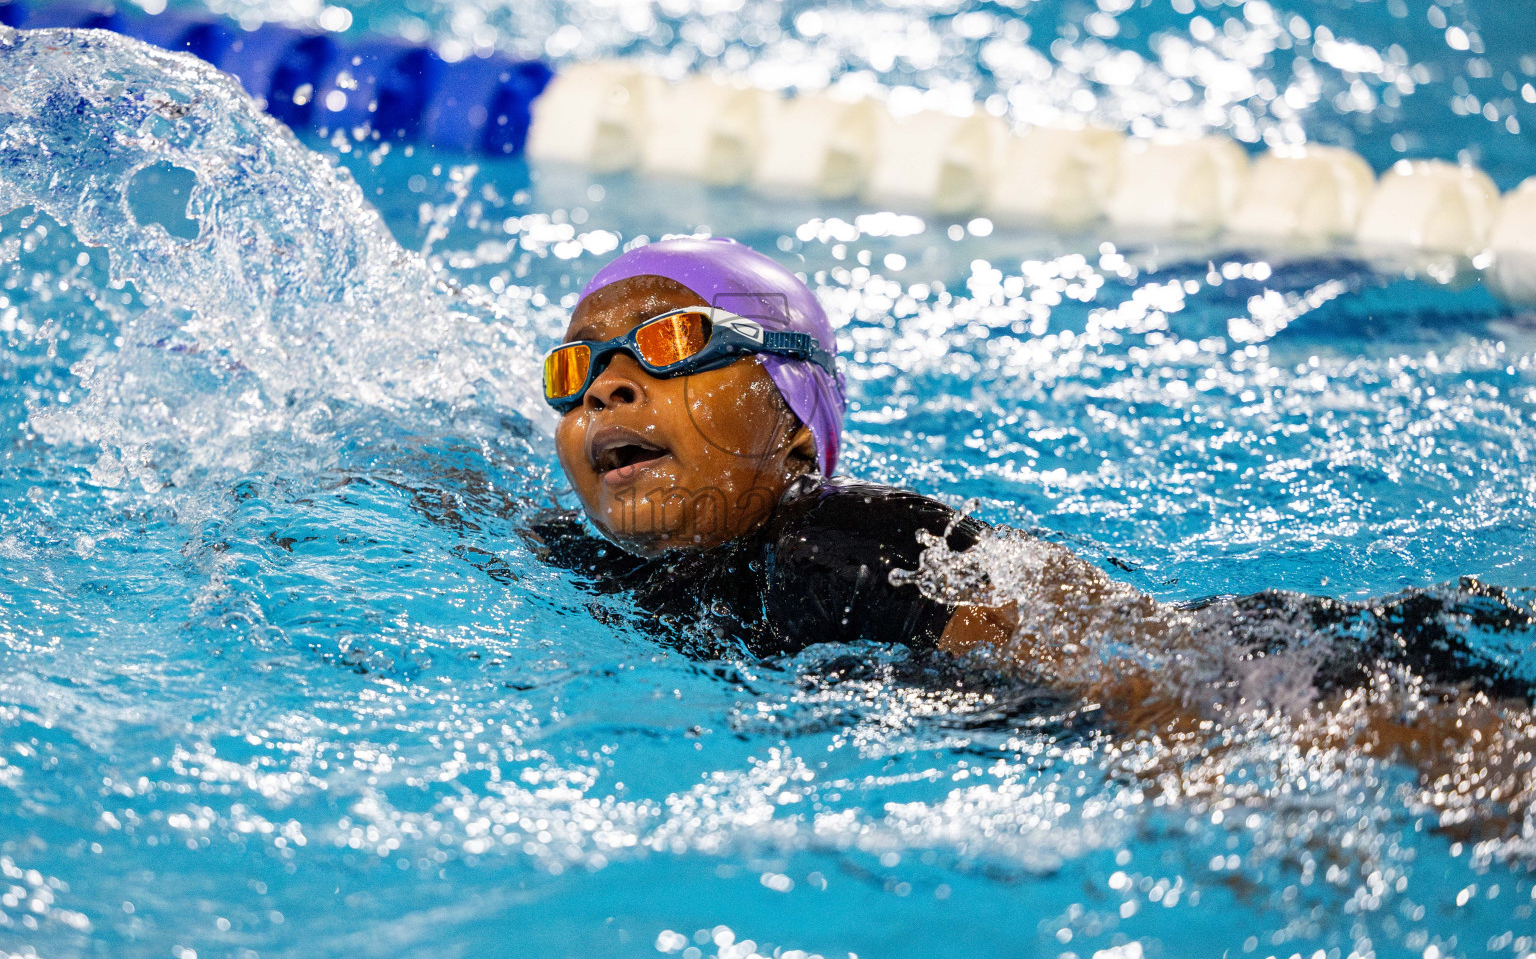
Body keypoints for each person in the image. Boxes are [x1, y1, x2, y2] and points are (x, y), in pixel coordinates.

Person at [523, 236, 1534, 715]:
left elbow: (1128, 654)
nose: (607, 388)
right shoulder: (610, 572)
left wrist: (1217, 781)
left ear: (795, 424)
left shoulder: (844, 542)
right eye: (577, 369)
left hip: (1305, 682)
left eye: (672, 340)